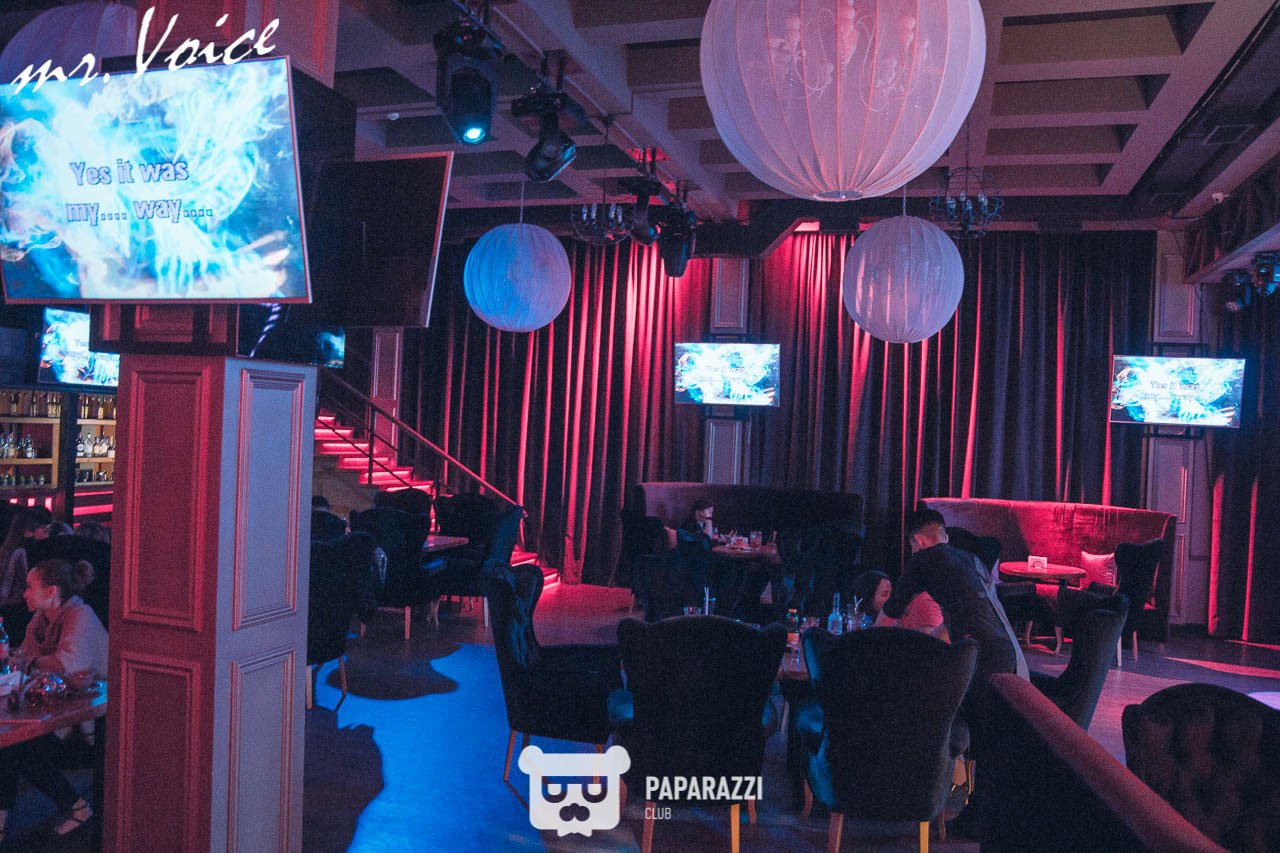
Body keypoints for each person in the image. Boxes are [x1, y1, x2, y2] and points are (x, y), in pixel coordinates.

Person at [877, 507, 1027, 838]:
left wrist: (865, 648)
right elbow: (963, 615)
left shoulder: (923, 561)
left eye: (912, 546)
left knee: (981, 736)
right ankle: (982, 813)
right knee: (988, 737)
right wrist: (930, 640)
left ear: (917, 541)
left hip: (981, 657)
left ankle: (980, 819)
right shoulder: (967, 559)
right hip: (1006, 651)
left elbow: (889, 614)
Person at [0, 558, 108, 842]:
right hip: (61, 704)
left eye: (29, 586)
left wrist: (31, 662)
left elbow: (66, 665)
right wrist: (29, 662)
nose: (24, 593)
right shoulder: (41, 619)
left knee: (22, 748)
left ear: (51, 592)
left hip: (95, 716)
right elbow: (23, 657)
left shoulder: (80, 616)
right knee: (10, 744)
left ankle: (78, 807)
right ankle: (2, 820)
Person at [852, 569, 946, 637]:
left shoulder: (924, 601)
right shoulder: (867, 620)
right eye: (885, 594)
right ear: (868, 599)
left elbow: (932, 639)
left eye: (892, 593)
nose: (892, 598)